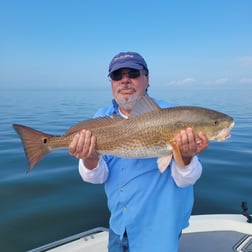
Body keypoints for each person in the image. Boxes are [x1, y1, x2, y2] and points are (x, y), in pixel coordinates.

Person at [69, 52, 209, 252]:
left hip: (159, 231)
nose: (125, 80)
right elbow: (97, 178)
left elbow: (185, 181)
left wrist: (185, 157)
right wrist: (89, 159)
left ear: (147, 79)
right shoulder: (101, 118)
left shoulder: (174, 116)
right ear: (111, 83)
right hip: (119, 225)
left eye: (133, 73)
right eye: (117, 76)